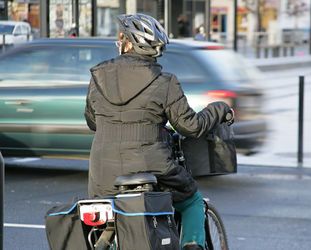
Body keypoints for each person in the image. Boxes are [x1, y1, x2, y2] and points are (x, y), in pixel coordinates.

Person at [84, 13, 233, 250]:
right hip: (153, 170)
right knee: (192, 201)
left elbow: (93, 123)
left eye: (121, 37)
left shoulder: (97, 78)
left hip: (102, 174)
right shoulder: (165, 82)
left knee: (106, 215)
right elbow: (191, 126)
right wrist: (219, 109)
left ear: (128, 43)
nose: (118, 41)